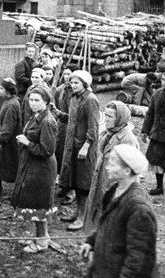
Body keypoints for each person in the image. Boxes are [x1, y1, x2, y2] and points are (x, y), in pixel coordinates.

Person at [79, 144, 157, 278]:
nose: (107, 168)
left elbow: (138, 259)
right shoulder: (115, 191)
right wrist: (91, 241)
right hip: (104, 269)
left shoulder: (139, 209)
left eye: (112, 165)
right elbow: (108, 225)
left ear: (127, 171)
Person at [11, 86, 59, 254]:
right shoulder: (37, 116)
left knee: (40, 204)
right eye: (31, 100)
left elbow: (47, 150)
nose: (33, 103)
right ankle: (39, 235)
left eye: (37, 100)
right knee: (35, 202)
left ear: (46, 101)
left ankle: (42, 241)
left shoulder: (47, 121)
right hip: (32, 165)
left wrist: (26, 142)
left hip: (42, 169)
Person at [83, 101, 140, 234]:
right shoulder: (107, 134)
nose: (106, 119)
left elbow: (130, 173)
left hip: (114, 188)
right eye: (106, 115)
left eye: (110, 117)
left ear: (120, 118)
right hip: (100, 182)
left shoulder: (127, 139)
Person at [59, 70, 100, 231]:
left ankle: (83, 217)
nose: (73, 85)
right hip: (73, 146)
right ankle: (77, 212)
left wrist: (86, 146)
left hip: (85, 148)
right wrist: (59, 114)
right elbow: (72, 119)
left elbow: (93, 126)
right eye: (72, 82)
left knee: (83, 182)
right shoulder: (75, 98)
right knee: (75, 180)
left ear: (85, 84)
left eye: (77, 83)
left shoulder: (90, 100)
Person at [0, 78, 21, 194]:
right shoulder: (8, 101)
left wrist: (1, 140)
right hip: (4, 137)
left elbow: (9, 125)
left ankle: (18, 190)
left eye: (2, 88)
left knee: (10, 163)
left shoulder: (11, 104)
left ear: (9, 90)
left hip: (8, 141)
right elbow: (5, 119)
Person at [54, 66, 74, 176]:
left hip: (72, 123)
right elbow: (57, 106)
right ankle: (58, 172)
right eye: (65, 74)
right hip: (62, 123)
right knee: (59, 147)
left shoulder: (77, 92)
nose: (67, 76)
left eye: (69, 74)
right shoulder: (59, 90)